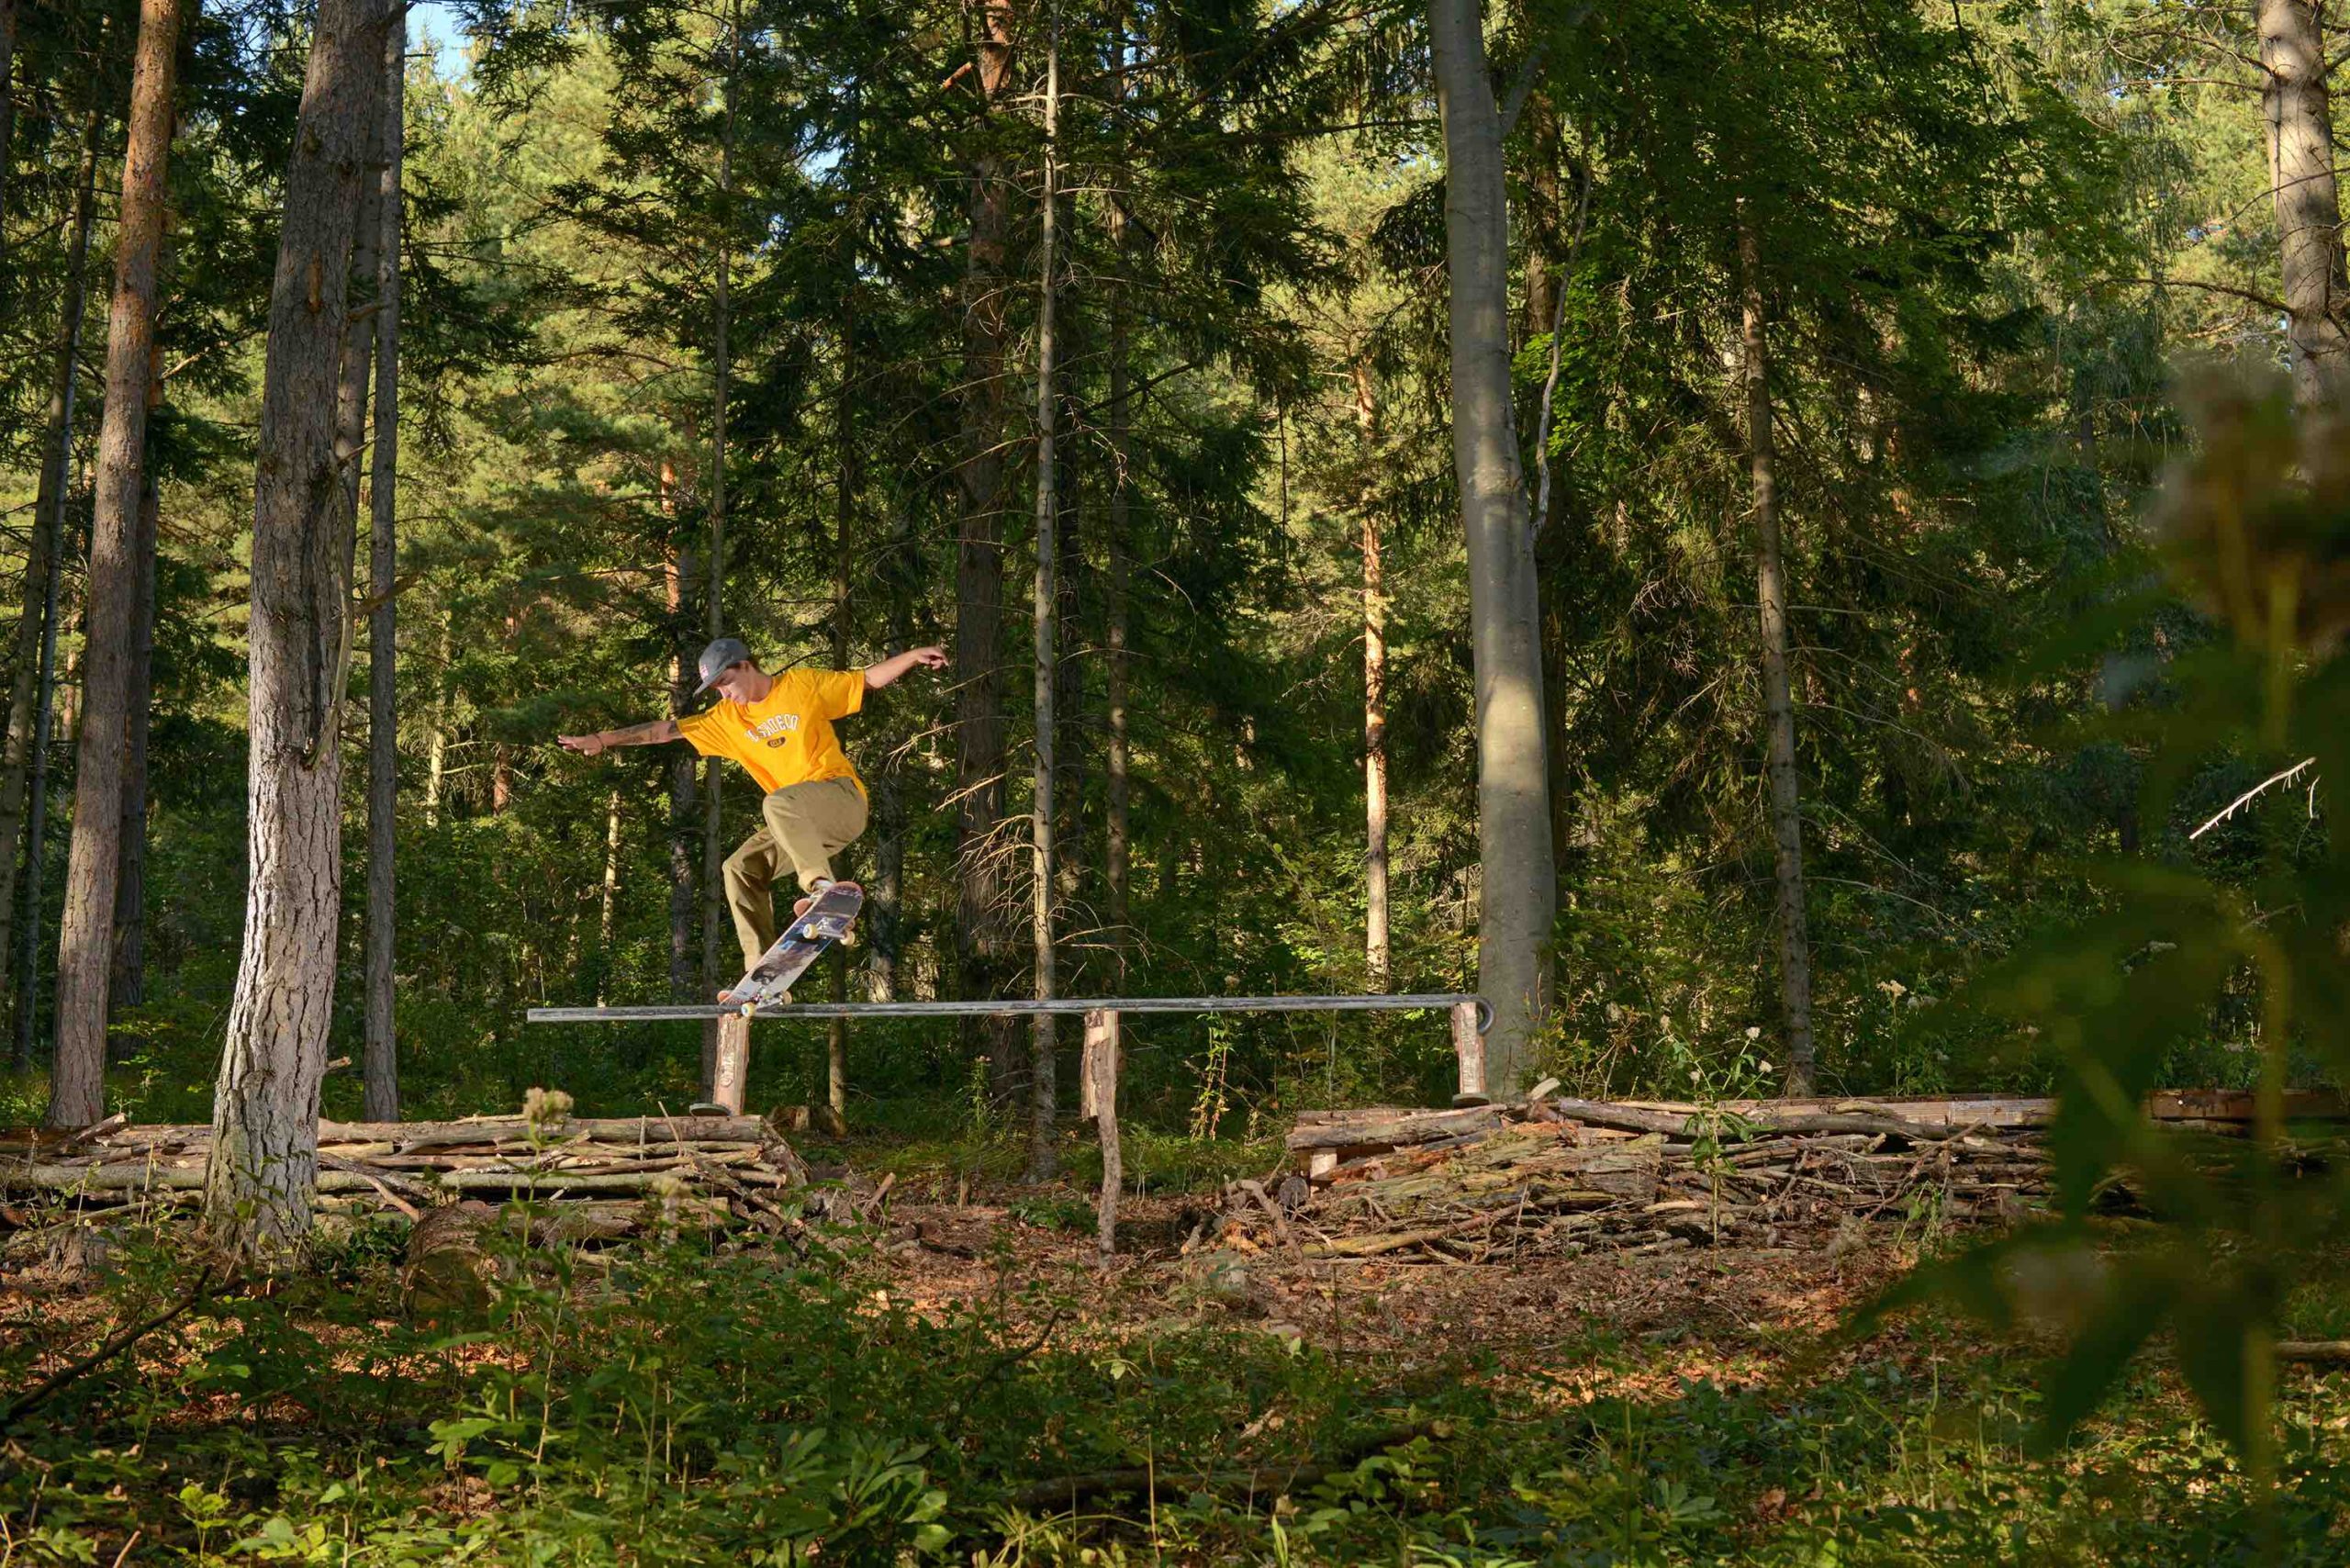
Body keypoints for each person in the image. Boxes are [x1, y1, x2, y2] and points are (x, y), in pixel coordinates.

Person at [558, 636, 947, 989]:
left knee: (778, 802)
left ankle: (821, 889)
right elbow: (666, 731)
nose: (725, 696)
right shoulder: (727, 721)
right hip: (803, 830)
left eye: (726, 683)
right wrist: (602, 740)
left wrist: (911, 656)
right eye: (716, 690)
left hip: (840, 800)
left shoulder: (801, 686)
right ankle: (763, 975)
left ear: (747, 665)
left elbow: (864, 680)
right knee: (739, 868)